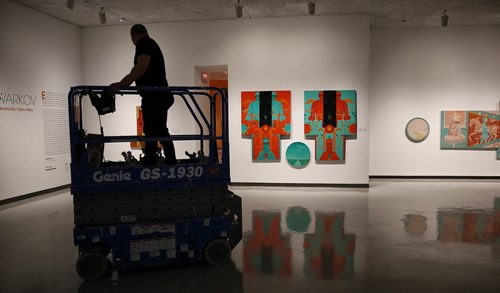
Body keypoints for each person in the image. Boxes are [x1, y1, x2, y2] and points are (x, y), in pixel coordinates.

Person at [111, 24, 176, 165]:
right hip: (156, 95)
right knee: (156, 129)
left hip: (155, 95)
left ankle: (155, 160)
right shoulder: (150, 44)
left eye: (132, 38)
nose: (132, 41)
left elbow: (141, 67)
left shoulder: (144, 44)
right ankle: (161, 160)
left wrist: (122, 84)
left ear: (134, 35)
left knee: (155, 130)